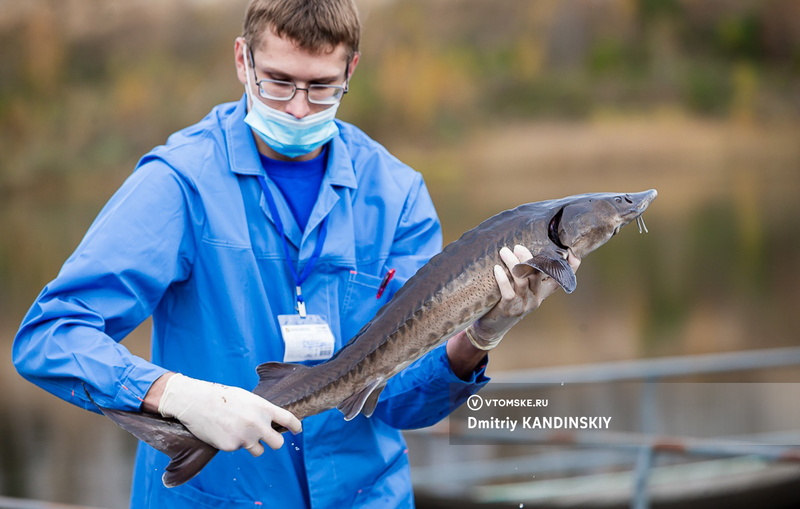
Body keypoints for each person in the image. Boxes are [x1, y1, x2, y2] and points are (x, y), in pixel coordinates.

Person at [12, 0, 577, 507]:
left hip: (368, 497)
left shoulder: (397, 193)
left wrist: (476, 339)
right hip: (219, 497)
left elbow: (402, 405)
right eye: (278, 83)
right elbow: (51, 337)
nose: (301, 109)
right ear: (243, 61)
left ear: (351, 70)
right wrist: (178, 397)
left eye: (322, 86)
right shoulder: (179, 184)